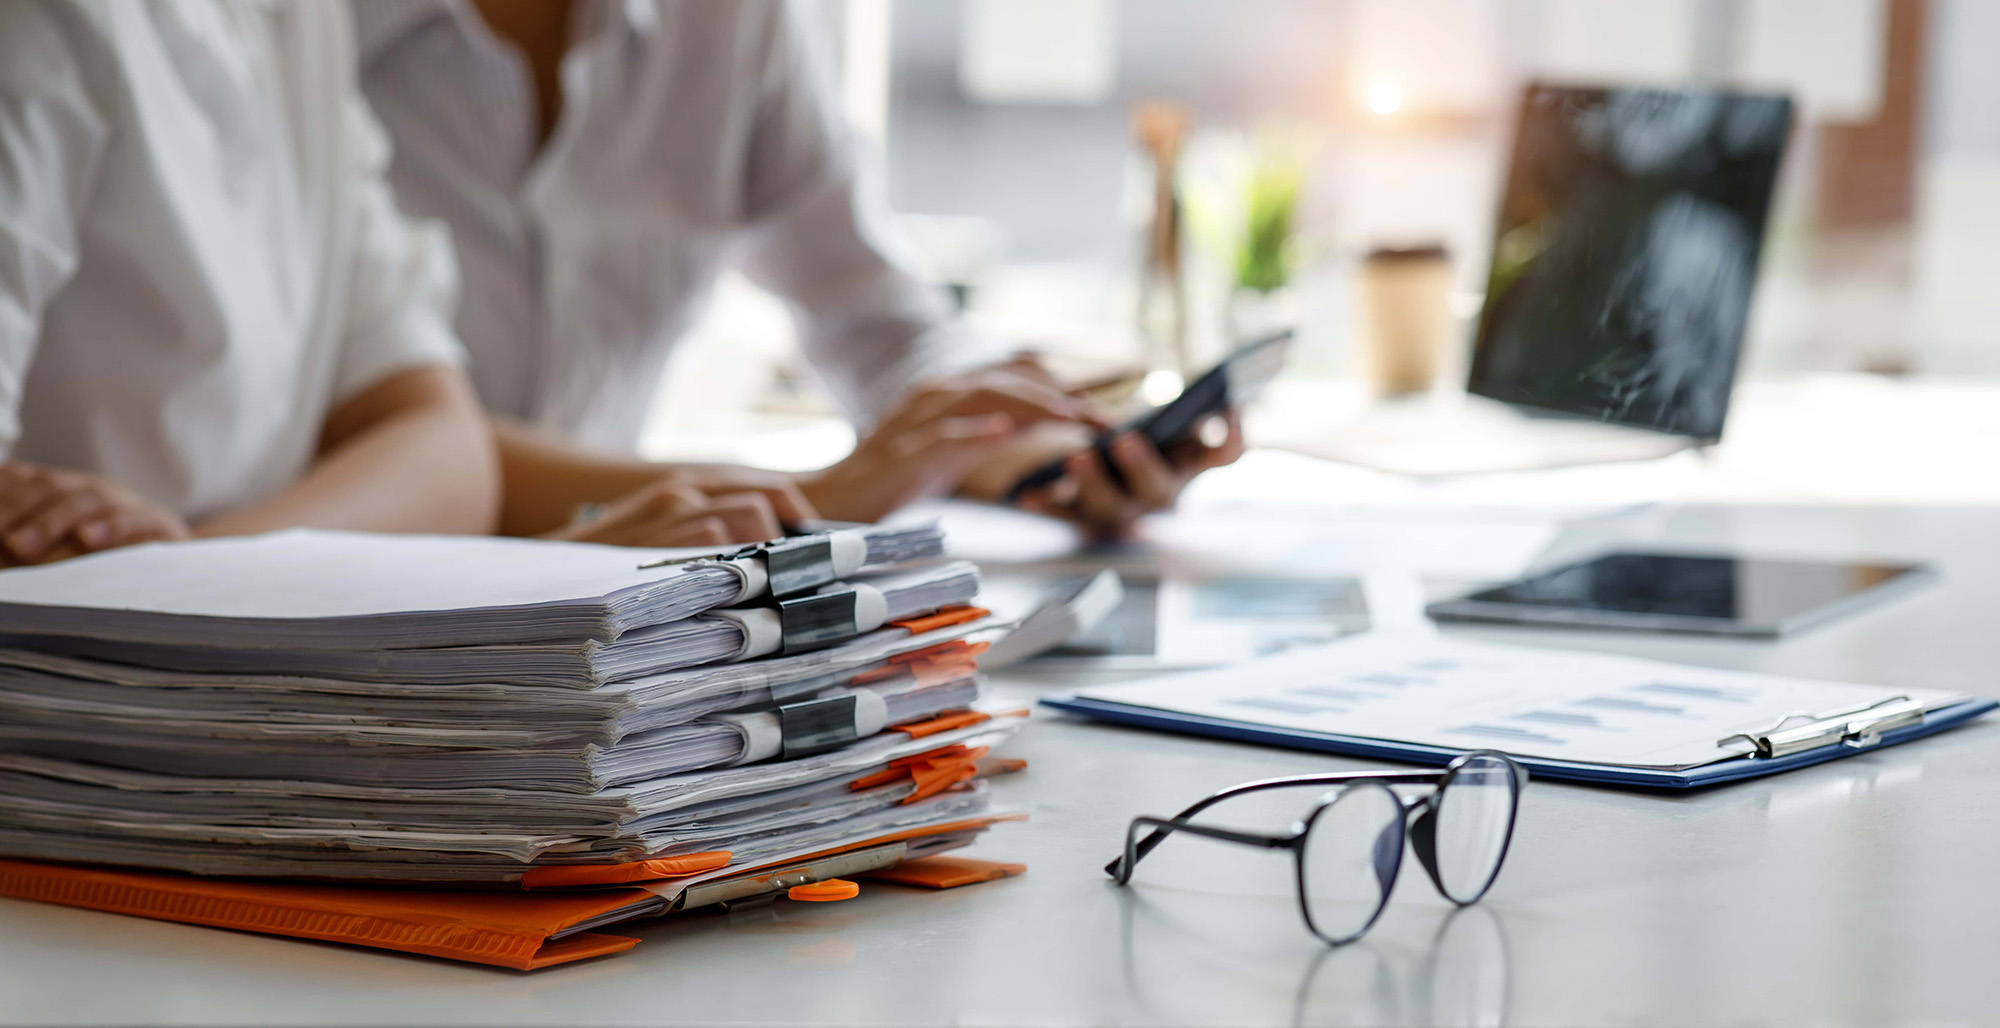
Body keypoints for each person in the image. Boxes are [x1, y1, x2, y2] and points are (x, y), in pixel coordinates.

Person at [355, 0, 1245, 545]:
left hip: (621, 615)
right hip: (351, 609)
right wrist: (800, 498)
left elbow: (880, 326)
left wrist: (1043, 451)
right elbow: (366, 428)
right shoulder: (304, 34)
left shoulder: (730, 18)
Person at [0, 0, 503, 567]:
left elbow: (445, 452)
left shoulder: (304, 20)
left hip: (192, 614)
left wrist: (188, 571)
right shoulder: (39, 24)